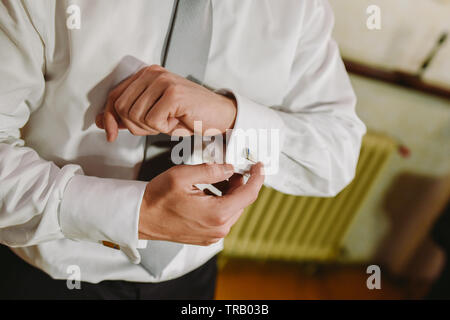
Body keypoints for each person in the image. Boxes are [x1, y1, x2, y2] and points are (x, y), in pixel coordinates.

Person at [0, 0, 366, 299]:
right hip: (45, 271)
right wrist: (135, 213)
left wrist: (232, 117)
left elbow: (336, 155)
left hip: (192, 279)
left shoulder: (299, 9)